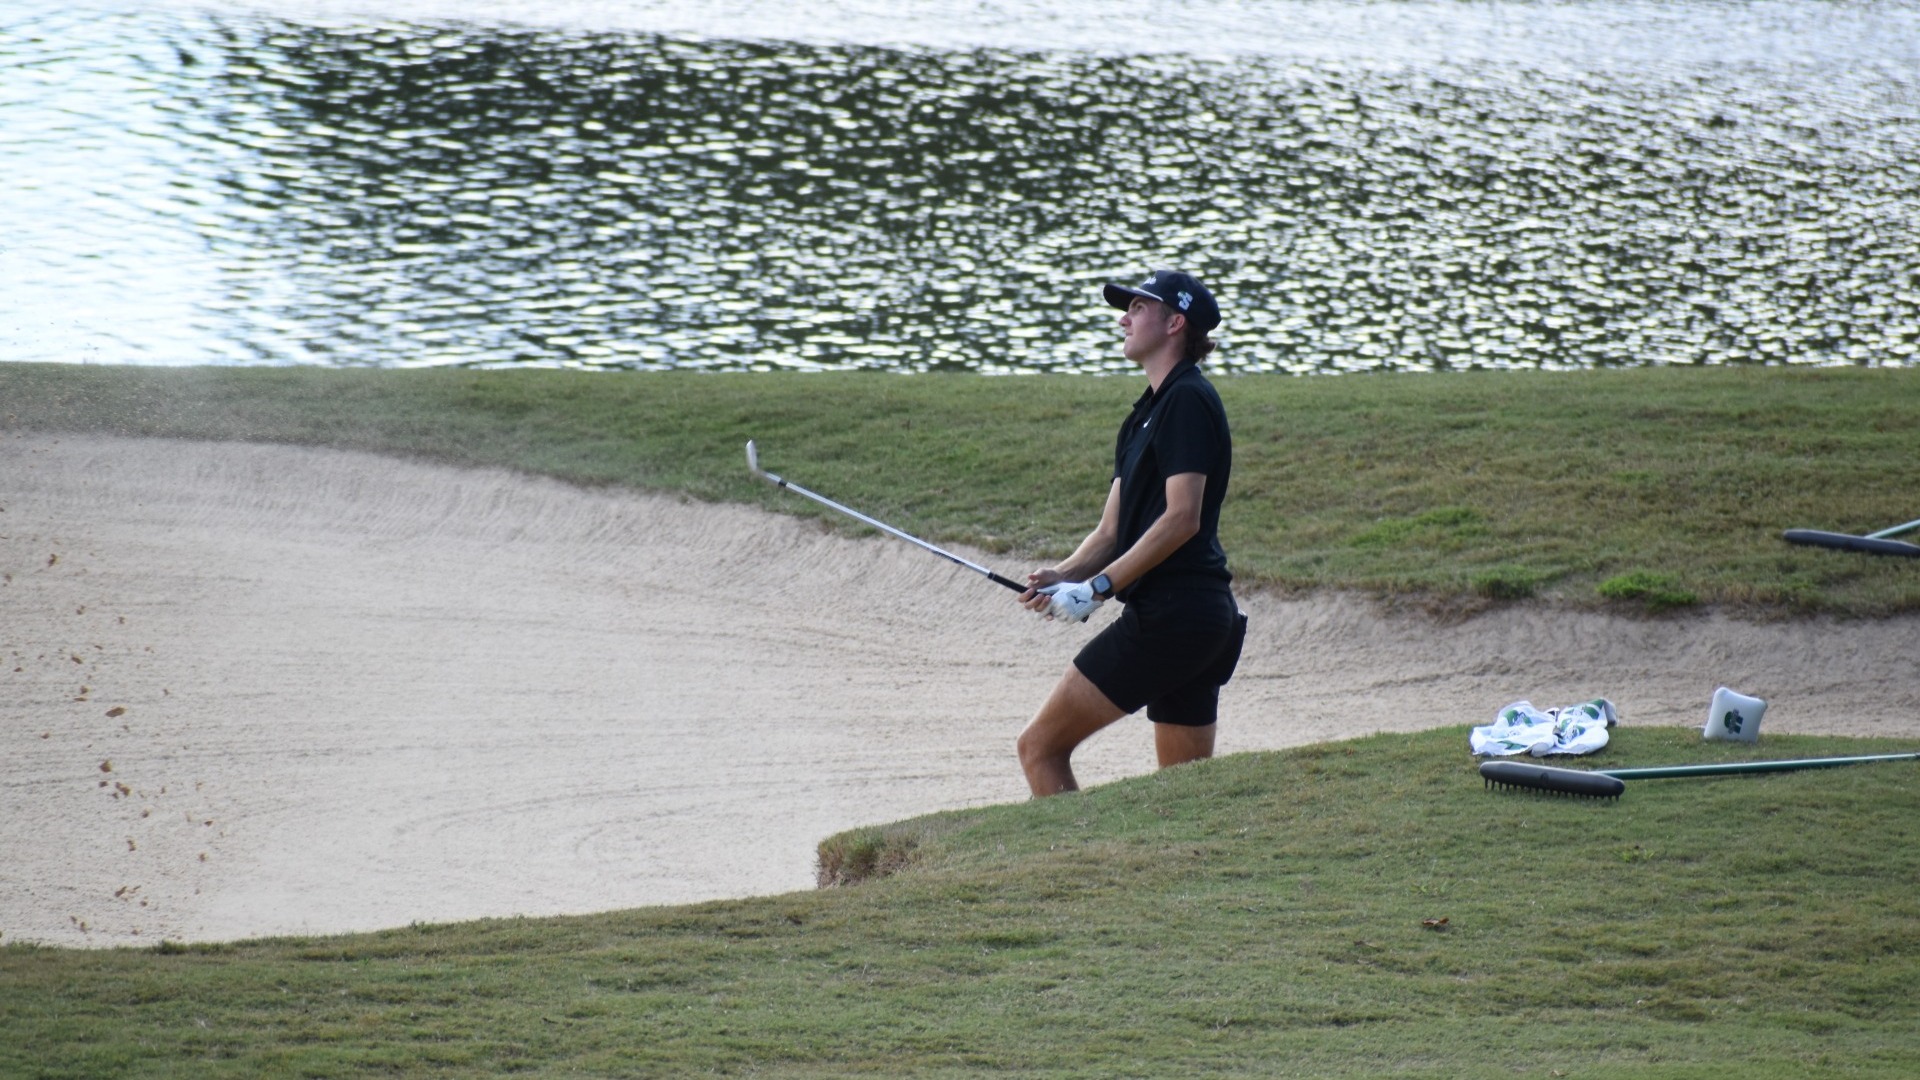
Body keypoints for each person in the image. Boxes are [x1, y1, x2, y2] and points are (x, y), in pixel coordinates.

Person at [1016, 269, 1247, 797]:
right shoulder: (1146, 412)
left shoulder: (1187, 399)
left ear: (1175, 323)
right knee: (1183, 795)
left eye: (1138, 308)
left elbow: (1182, 518)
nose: (1124, 319)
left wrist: (1098, 589)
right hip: (1199, 620)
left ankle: (1075, 853)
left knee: (1039, 748)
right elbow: (1110, 531)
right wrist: (1063, 575)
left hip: (1173, 615)